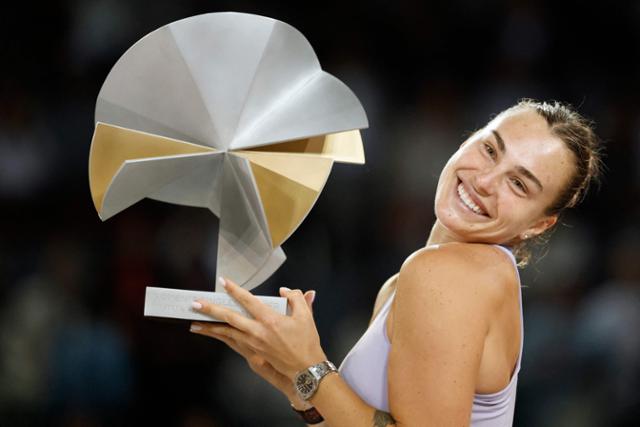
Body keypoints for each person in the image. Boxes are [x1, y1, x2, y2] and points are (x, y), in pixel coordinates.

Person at [188, 99, 603, 426]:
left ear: (539, 224)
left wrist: (309, 367)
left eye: (518, 183)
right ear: (468, 139)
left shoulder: (448, 275)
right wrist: (299, 388)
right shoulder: (416, 280)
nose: (484, 181)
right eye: (490, 149)